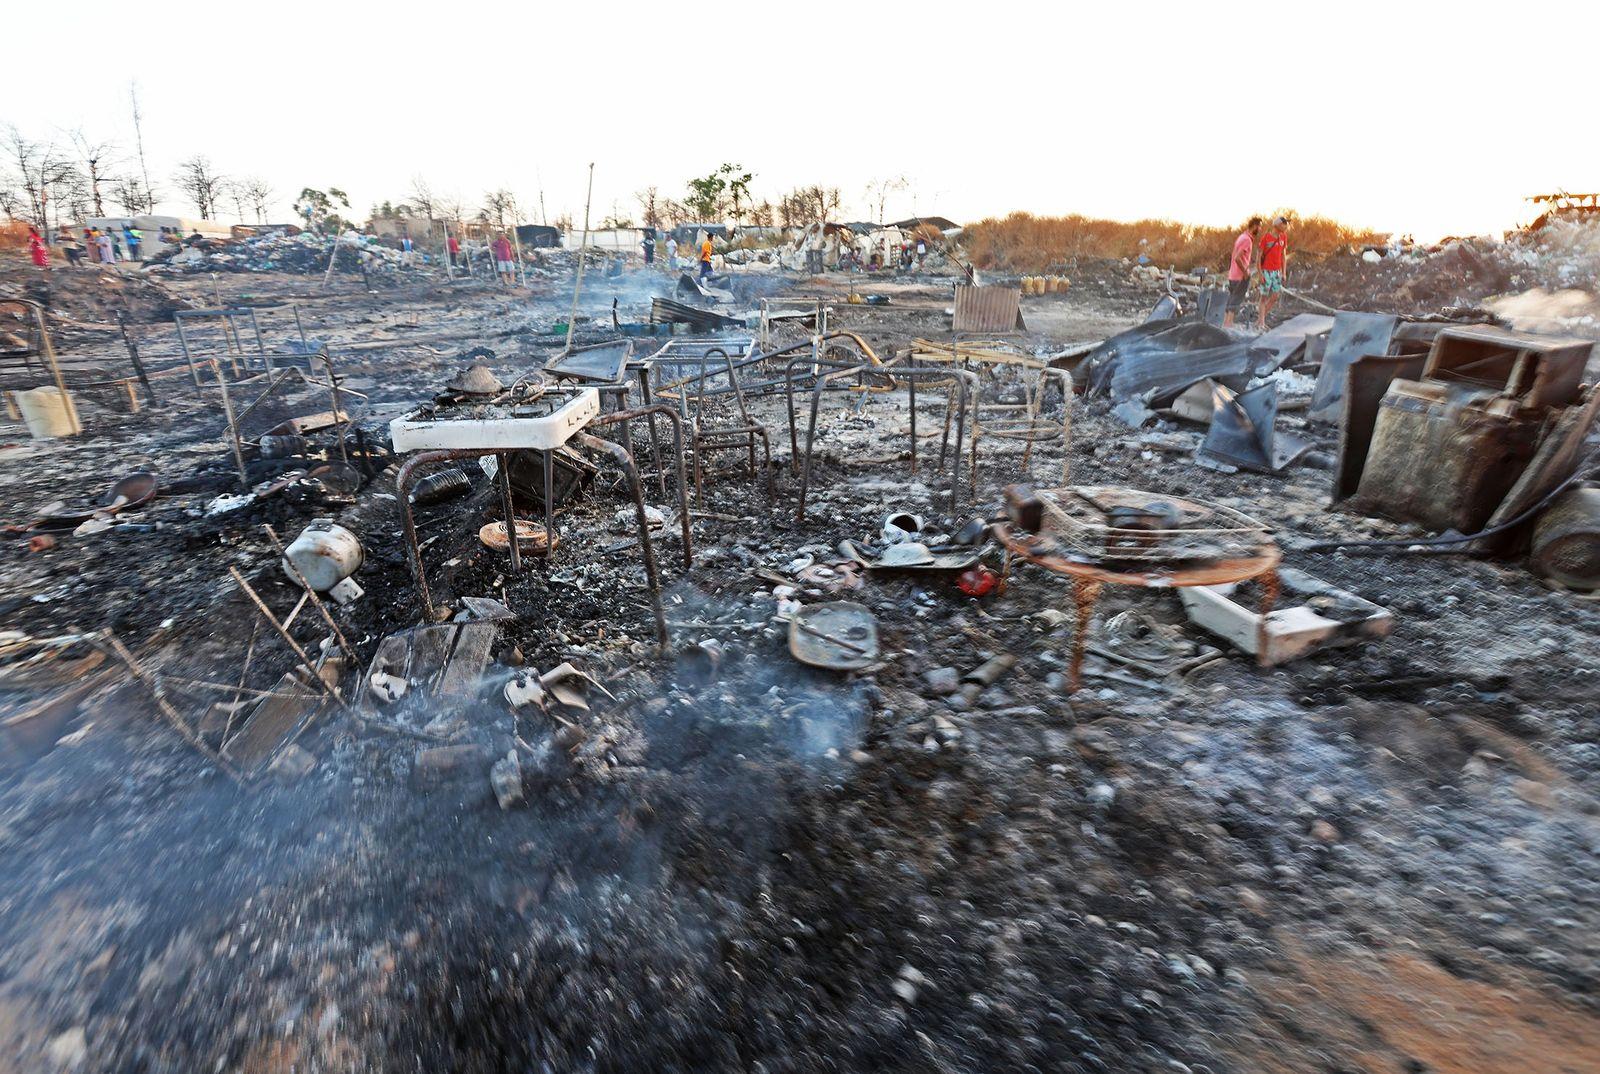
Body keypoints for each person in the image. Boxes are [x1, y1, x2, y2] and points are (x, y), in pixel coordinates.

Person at [1223, 216, 1261, 328]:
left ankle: (1226, 322)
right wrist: (1245, 272)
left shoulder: (1241, 237)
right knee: (1236, 299)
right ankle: (1229, 323)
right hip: (1240, 275)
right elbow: (1237, 258)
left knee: (1231, 298)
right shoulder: (1247, 240)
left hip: (1232, 274)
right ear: (1254, 226)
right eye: (1259, 227)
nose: (1259, 230)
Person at [1256, 216, 1288, 330]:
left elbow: (1283, 256)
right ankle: (1261, 323)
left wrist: (1284, 272)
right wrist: (1260, 274)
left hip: (1277, 271)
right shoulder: (1266, 238)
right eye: (1284, 223)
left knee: (1275, 296)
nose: (1286, 226)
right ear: (1277, 225)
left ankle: (1261, 319)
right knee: (1263, 297)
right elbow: (1258, 257)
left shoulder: (1283, 237)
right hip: (1266, 271)